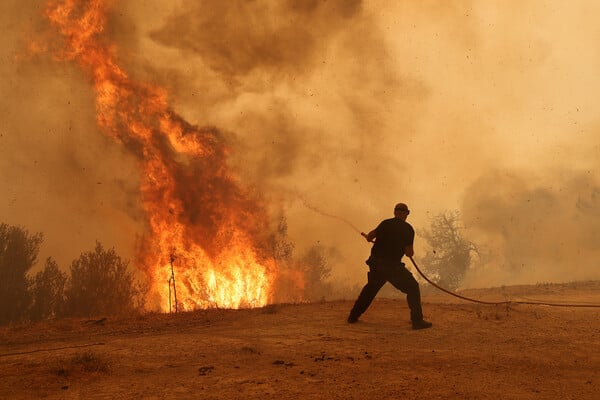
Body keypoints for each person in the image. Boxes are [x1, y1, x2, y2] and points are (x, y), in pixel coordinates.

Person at [348, 202, 432, 329]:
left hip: (376, 264)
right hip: (392, 267)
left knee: (370, 289)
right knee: (413, 287)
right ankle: (417, 321)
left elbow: (371, 235)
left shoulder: (385, 223)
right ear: (406, 214)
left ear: (394, 212)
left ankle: (353, 316)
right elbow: (409, 252)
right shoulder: (408, 229)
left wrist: (369, 238)